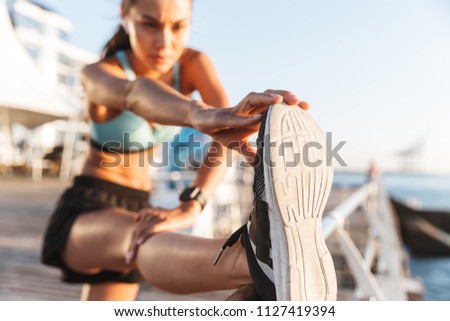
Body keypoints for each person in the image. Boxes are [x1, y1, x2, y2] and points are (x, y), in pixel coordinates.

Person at [40, 0, 309, 300]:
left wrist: (194, 202)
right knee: (145, 239)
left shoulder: (192, 64)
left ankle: (261, 272)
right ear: (125, 16)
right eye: (149, 24)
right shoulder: (99, 74)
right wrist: (199, 114)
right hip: (89, 206)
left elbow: (229, 133)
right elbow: (134, 93)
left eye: (178, 26)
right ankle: (252, 260)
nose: (165, 42)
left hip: (141, 206)